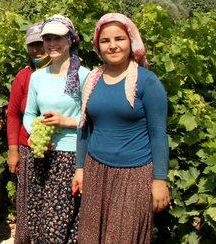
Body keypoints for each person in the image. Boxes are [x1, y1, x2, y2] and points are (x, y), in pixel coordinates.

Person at [73, 13, 170, 243]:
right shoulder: (92, 80)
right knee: (90, 236)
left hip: (133, 175)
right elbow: (84, 128)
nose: (113, 45)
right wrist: (80, 168)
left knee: (122, 237)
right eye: (106, 41)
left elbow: (158, 134)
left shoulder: (147, 82)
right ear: (98, 45)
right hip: (97, 171)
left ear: (131, 41)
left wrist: (159, 179)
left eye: (119, 38)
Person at [22, 14, 90, 243]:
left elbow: (93, 117)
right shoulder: (37, 77)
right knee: (39, 216)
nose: (52, 44)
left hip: (70, 157)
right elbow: (29, 114)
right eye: (47, 38)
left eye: (58, 38)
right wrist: (35, 134)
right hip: (42, 155)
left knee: (58, 221)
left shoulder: (85, 76)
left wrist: (67, 121)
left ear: (71, 39)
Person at [6, 22, 50, 244]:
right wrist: (13, 150)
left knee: (51, 203)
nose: (37, 49)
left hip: (58, 150)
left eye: (41, 43)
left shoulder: (66, 74)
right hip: (28, 149)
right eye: (32, 45)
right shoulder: (23, 77)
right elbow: (13, 114)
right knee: (28, 201)